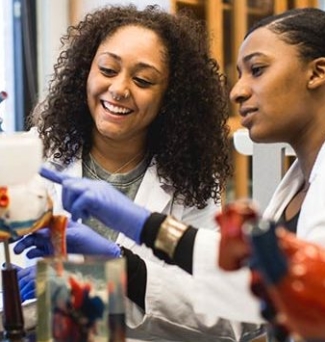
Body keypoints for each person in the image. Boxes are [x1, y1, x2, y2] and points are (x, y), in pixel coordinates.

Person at [16, 6, 325, 341]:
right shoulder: (299, 184)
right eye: (107, 69)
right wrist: (113, 267)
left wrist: (115, 263)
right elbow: (246, 300)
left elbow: (226, 314)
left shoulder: (190, 181)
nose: (237, 91)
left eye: (257, 70)